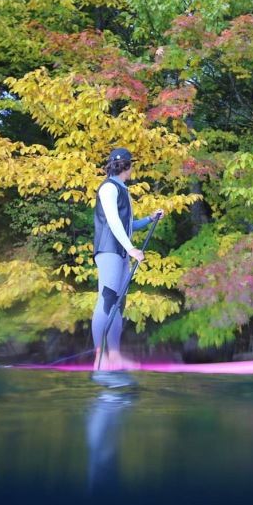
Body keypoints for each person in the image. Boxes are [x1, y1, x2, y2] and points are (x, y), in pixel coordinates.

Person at [91, 147, 164, 370]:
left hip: (121, 251)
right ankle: (99, 357)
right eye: (132, 165)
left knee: (117, 304)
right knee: (106, 300)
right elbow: (113, 222)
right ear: (126, 166)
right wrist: (132, 249)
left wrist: (150, 219)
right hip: (109, 250)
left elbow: (127, 226)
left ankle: (114, 356)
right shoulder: (109, 188)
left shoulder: (122, 189)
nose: (133, 169)